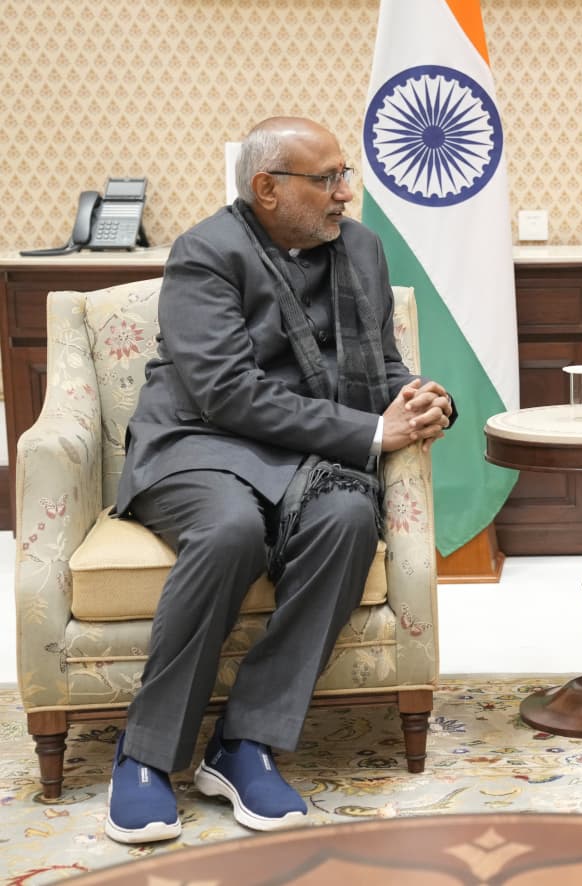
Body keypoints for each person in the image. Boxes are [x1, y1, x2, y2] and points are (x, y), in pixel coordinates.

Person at [104, 117, 455, 844]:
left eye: (343, 175)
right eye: (327, 179)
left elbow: (382, 367)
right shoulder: (206, 252)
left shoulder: (361, 248)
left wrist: (422, 399)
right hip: (200, 444)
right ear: (267, 188)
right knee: (231, 531)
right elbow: (225, 392)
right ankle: (144, 756)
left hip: (309, 455)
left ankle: (245, 743)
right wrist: (371, 433)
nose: (345, 193)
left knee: (348, 518)